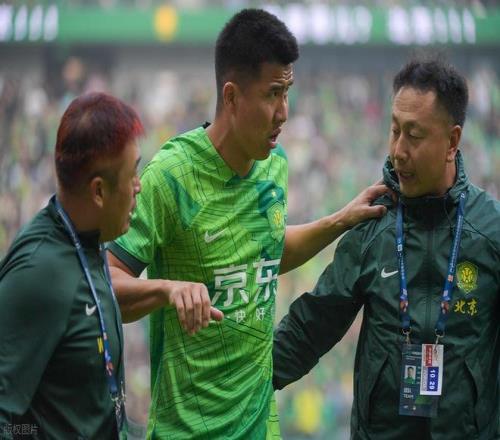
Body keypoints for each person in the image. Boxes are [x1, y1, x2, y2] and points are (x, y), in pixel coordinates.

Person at [107, 8, 389, 439]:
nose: (284, 112)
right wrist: (168, 290)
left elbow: (265, 253)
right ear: (232, 96)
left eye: (287, 93)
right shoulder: (171, 176)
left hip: (261, 427)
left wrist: (339, 220)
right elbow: (105, 284)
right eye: (273, 94)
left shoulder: (275, 165)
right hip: (186, 431)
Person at [273, 56, 500, 439]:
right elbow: (311, 327)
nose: (398, 150)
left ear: (452, 141)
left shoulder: (491, 231)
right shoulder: (373, 222)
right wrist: (241, 387)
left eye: (414, 135)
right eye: (394, 130)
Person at [0, 92, 144, 439]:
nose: (138, 187)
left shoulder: (89, 239)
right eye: (132, 175)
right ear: (99, 192)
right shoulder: (39, 273)